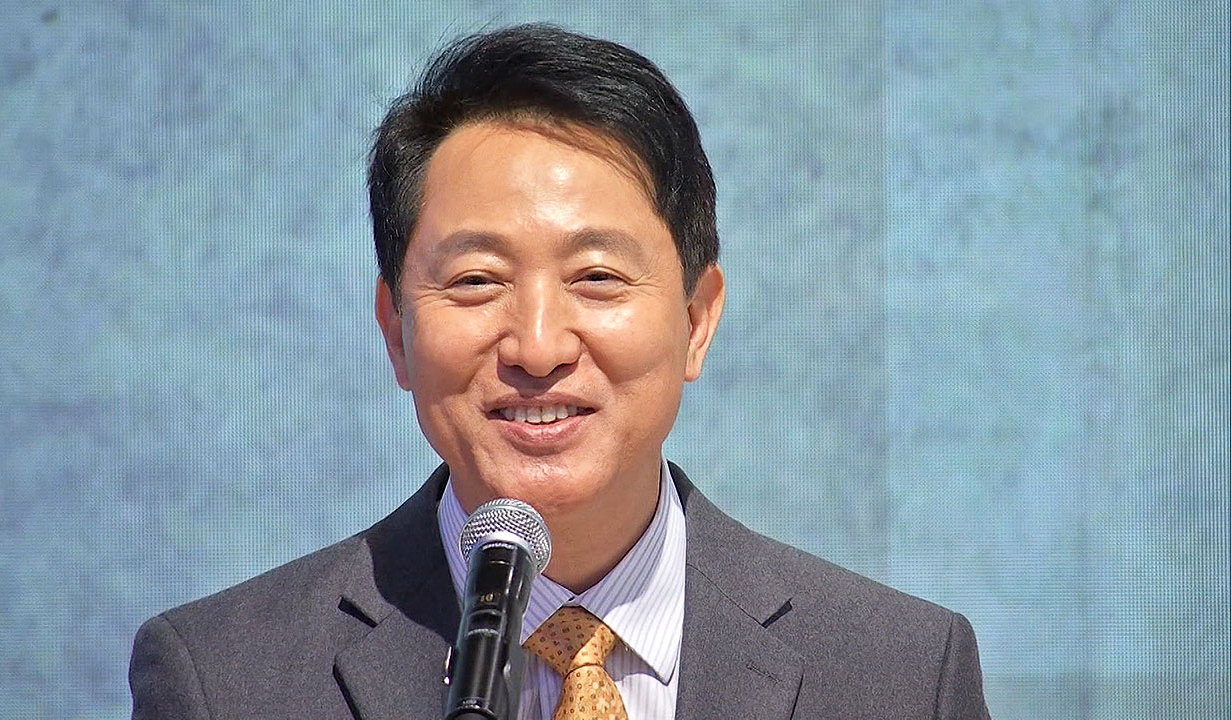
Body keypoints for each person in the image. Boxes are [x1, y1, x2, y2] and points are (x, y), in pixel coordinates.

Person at [129, 24, 989, 719]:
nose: (537, 348)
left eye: (597, 277)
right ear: (395, 330)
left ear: (696, 320)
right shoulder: (225, 679)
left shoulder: (901, 674)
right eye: (477, 281)